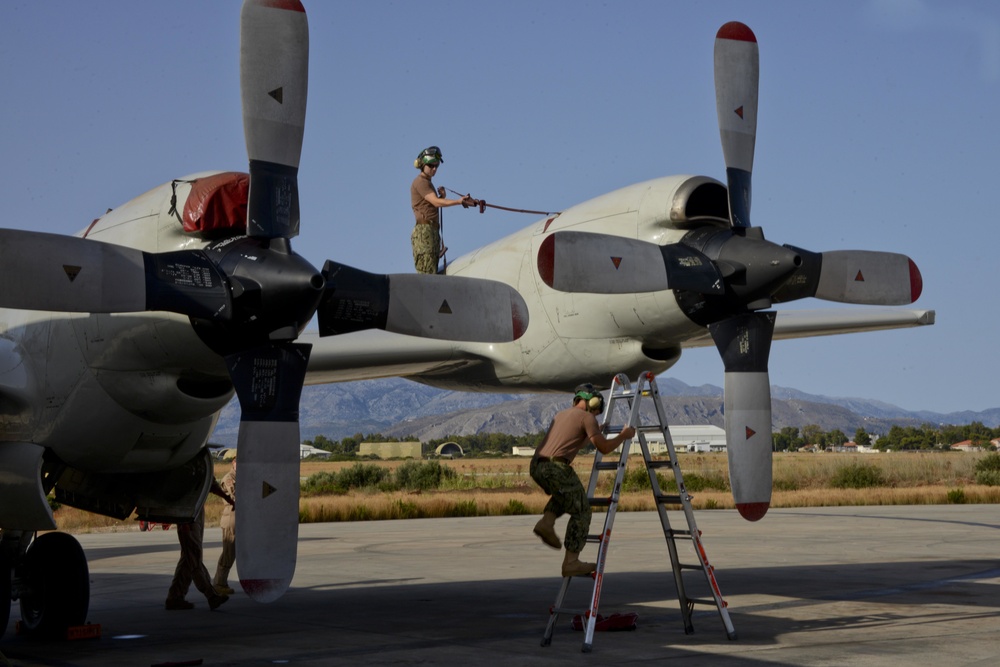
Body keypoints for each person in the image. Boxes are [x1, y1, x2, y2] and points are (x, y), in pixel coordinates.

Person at [530, 383, 636, 577]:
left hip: (537, 466)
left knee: (566, 496)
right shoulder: (587, 417)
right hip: (556, 468)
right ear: (591, 401)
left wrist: (596, 429)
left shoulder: (562, 414)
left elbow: (575, 439)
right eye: (596, 409)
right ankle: (571, 562)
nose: (595, 414)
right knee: (582, 511)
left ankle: (546, 522)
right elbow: (603, 447)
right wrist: (624, 436)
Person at [165, 478, 234, 611]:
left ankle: (175, 597)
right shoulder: (188, 463)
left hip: (196, 511)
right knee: (194, 556)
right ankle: (211, 595)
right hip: (187, 513)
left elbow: (210, 483)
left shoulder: (201, 462)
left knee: (188, 557)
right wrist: (181, 519)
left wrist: (229, 500)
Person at [410, 146, 477, 274]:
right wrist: (458, 201)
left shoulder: (427, 182)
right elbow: (435, 201)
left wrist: (443, 198)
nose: (434, 169)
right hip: (425, 232)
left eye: (436, 166)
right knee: (427, 274)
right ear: (422, 165)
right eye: (431, 166)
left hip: (431, 231)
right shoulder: (421, 182)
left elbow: (431, 203)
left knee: (431, 271)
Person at [213, 457, 237, 595]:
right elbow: (235, 495)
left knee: (232, 552)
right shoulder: (230, 478)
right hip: (231, 516)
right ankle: (219, 583)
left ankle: (219, 582)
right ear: (233, 463)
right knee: (229, 551)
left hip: (238, 517)